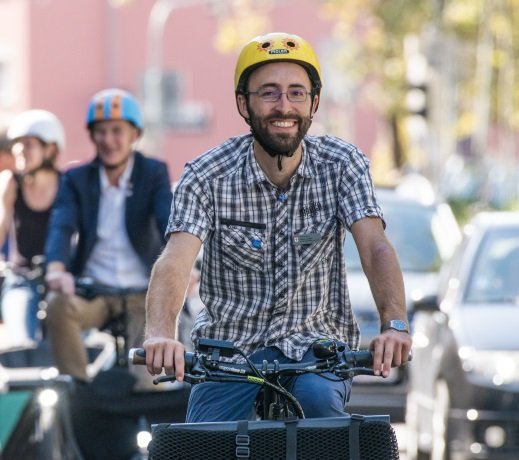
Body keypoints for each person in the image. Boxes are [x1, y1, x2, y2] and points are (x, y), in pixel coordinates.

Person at [143, 32, 412, 422]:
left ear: (314, 102)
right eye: (268, 93)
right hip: (228, 354)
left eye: (296, 93)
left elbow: (375, 247)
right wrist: (160, 334)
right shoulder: (206, 174)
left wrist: (395, 324)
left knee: (324, 418)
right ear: (243, 103)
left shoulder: (342, 165)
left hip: (316, 353)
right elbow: (176, 260)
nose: (283, 106)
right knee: (200, 441)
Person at [44, 88, 172, 388]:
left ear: (134, 134)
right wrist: (56, 269)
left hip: (143, 294)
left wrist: (182, 265)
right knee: (56, 305)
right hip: (95, 293)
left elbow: (168, 220)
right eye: (100, 132)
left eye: (117, 130)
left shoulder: (153, 172)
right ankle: (78, 391)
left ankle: (149, 416)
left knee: (149, 382)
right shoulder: (76, 179)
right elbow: (61, 225)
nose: (108, 140)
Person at [0, 110, 64, 347]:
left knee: (68, 345)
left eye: (28, 144)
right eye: (16, 144)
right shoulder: (10, 183)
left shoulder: (67, 185)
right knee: (21, 344)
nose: (19, 150)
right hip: (20, 278)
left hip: (61, 281)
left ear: (50, 149)